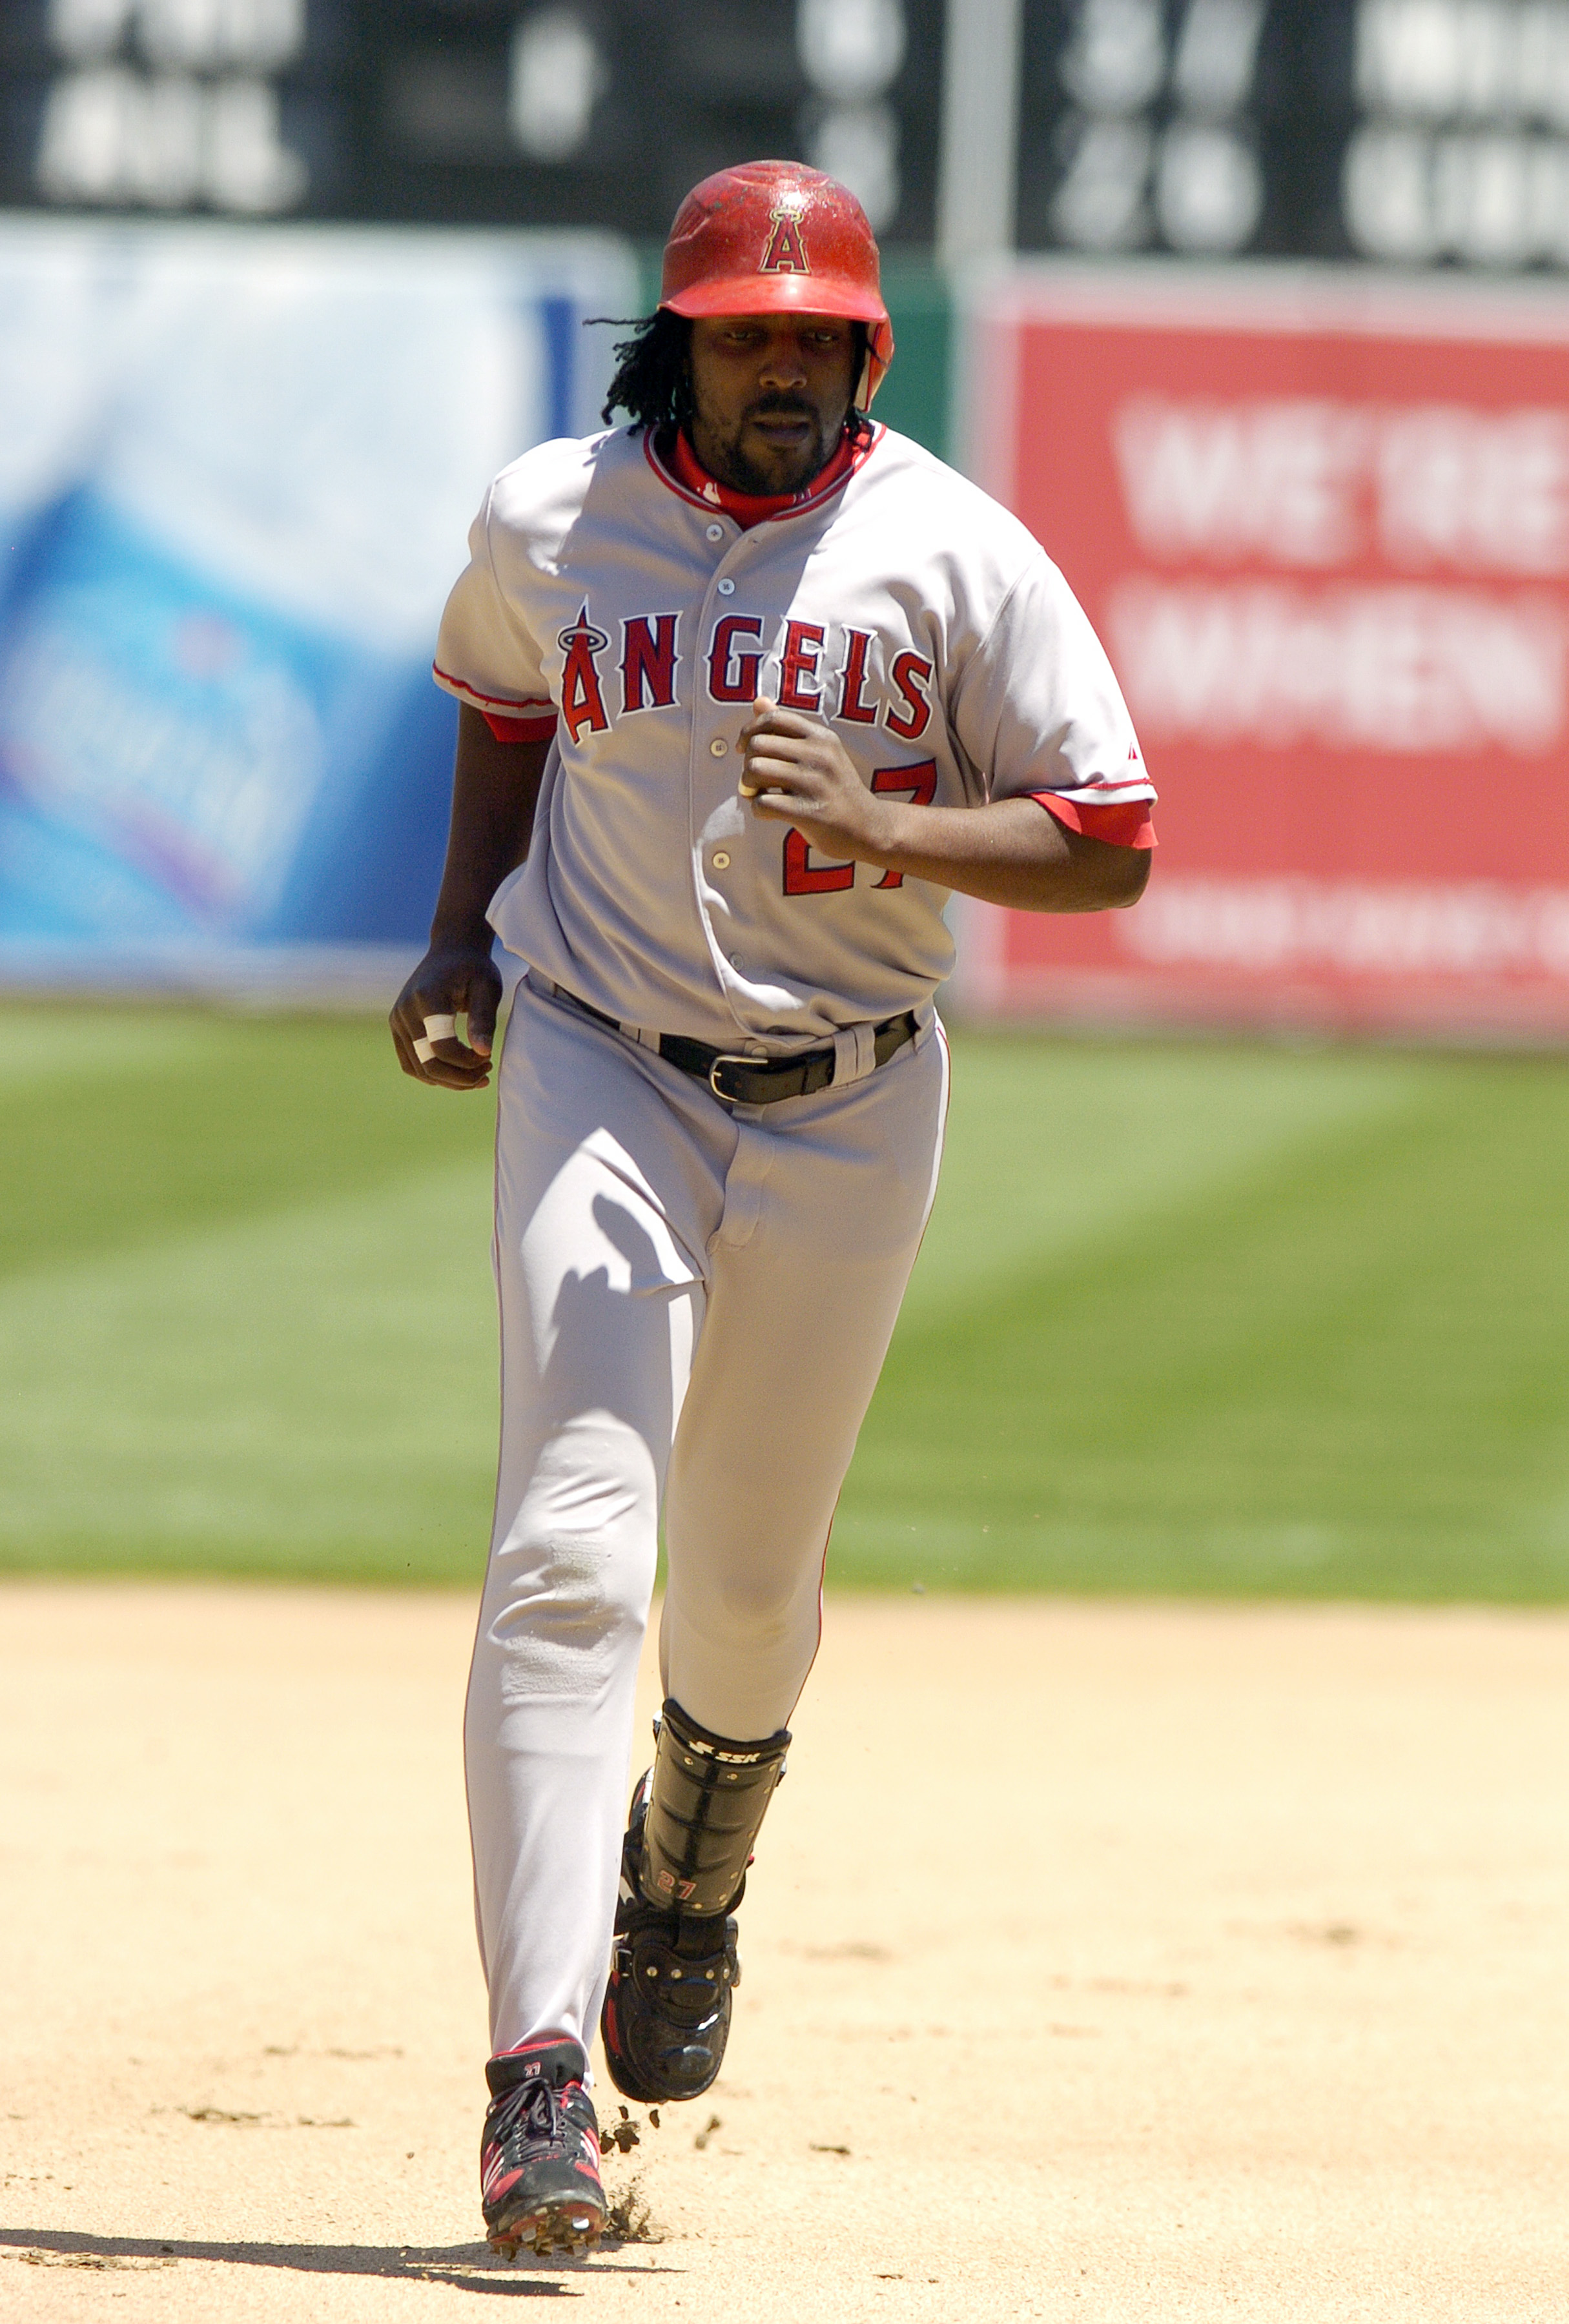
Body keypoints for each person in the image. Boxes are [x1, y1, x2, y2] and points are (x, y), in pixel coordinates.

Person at [389, 159, 1155, 2260]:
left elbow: (1110, 839)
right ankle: (534, 2077)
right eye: (753, 330)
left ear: (869, 351)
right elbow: (500, 691)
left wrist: (901, 819)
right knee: (568, 1543)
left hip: (851, 1102)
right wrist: (460, 932)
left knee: (742, 1591)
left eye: (825, 334)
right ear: (685, 340)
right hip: (600, 1060)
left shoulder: (953, 552)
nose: (791, 365)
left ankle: (695, 1862)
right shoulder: (552, 514)